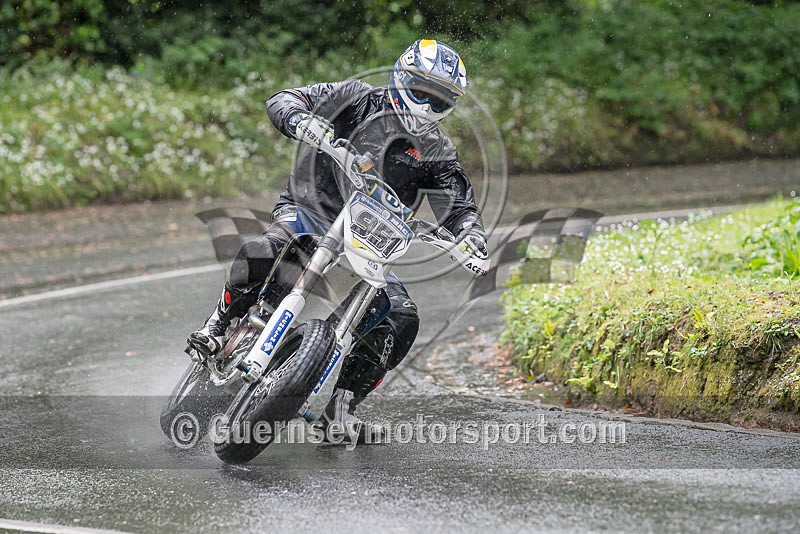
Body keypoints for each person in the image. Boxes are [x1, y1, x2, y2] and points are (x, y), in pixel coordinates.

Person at [188, 39, 488, 439]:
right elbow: (286, 99)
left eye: (441, 99)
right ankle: (217, 325)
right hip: (310, 210)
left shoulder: (438, 150)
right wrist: (300, 119)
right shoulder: (355, 98)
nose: (428, 105)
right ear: (401, 77)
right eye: (422, 91)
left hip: (371, 239)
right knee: (266, 249)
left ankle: (341, 410)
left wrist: (470, 234)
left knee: (400, 317)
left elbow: (459, 202)